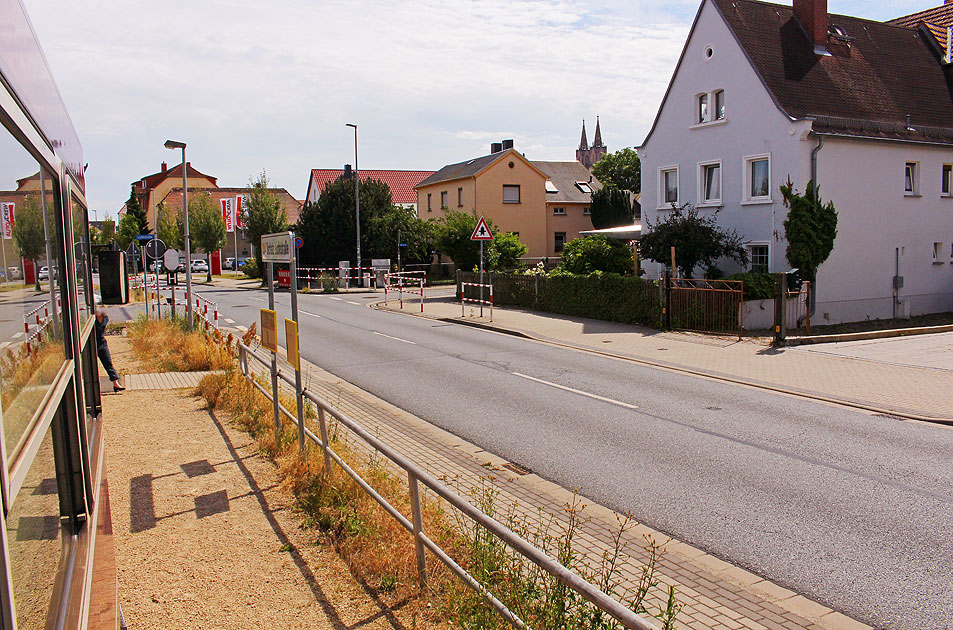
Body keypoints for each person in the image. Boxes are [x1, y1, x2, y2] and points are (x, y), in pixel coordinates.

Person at [95, 309, 124, 392]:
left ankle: (116, 384)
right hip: (91, 344)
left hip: (102, 343)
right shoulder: (91, 319)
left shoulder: (105, 318)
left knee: (108, 363)